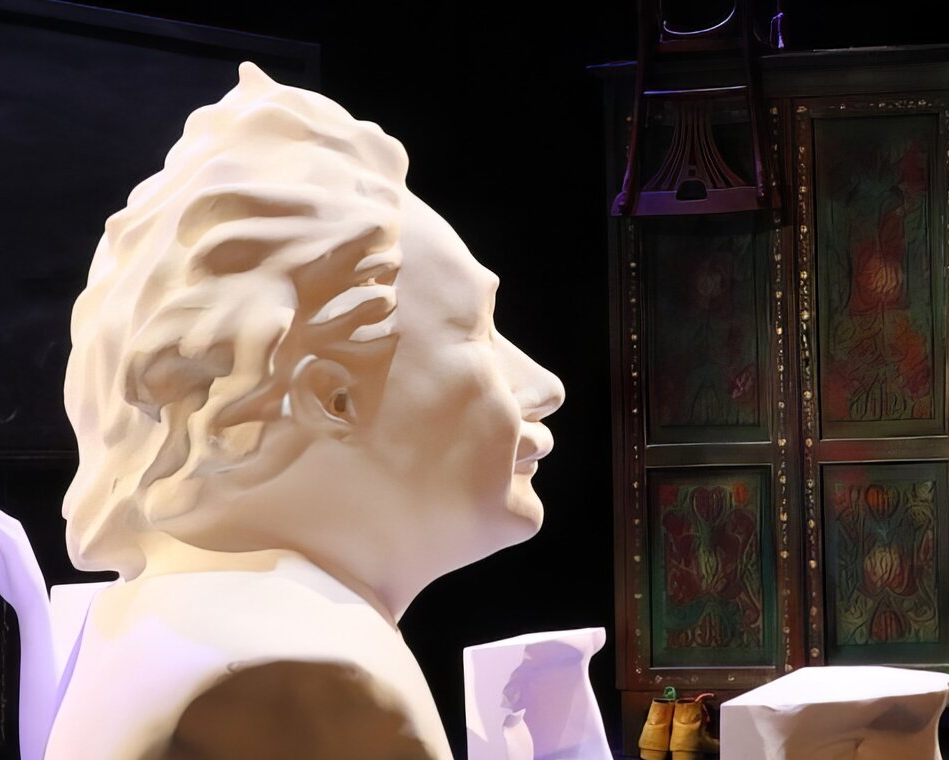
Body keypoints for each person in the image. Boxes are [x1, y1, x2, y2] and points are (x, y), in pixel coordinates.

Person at [43, 63, 565, 760]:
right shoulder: (307, 677)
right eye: (478, 331)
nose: (545, 386)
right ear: (330, 396)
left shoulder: (165, 614)